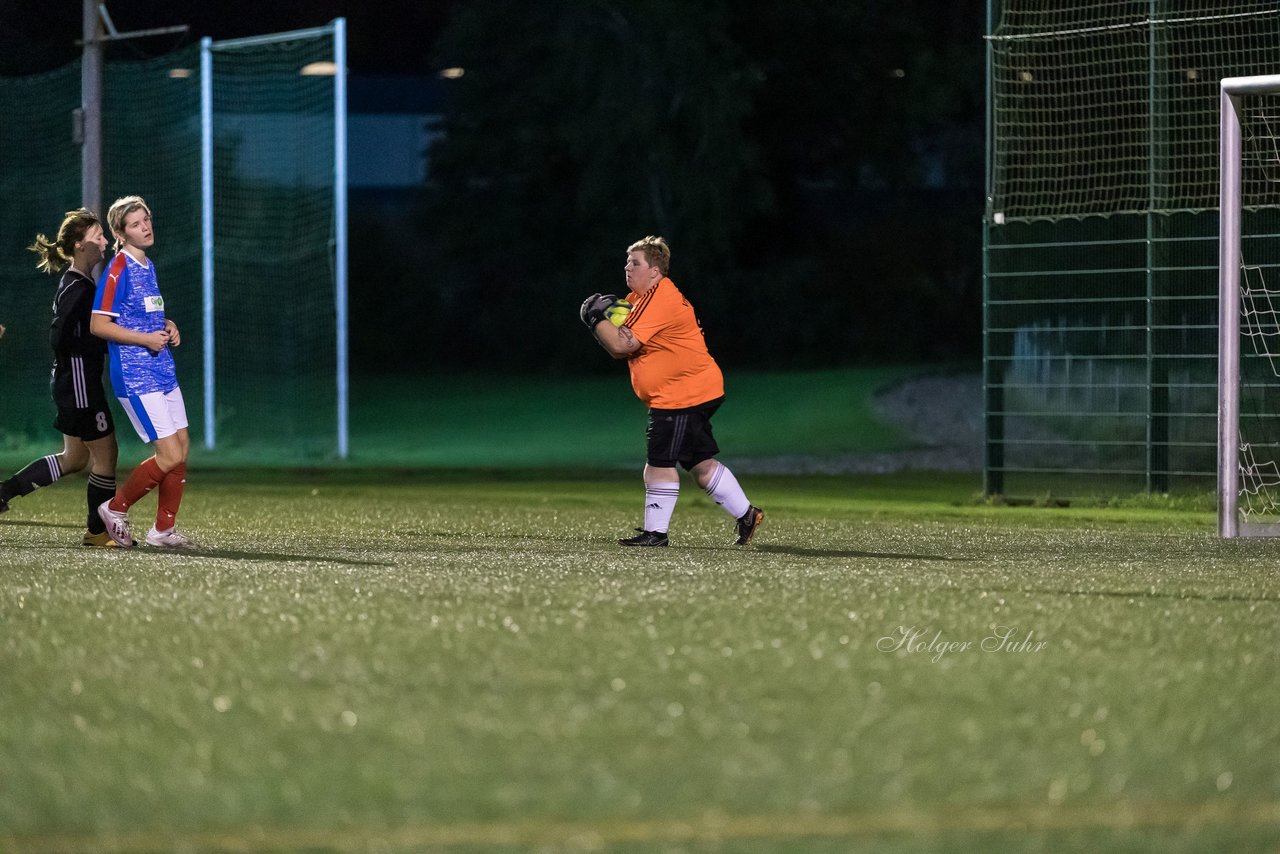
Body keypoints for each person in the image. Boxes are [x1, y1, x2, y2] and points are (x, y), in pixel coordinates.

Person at [580, 235, 763, 548]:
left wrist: (596, 319)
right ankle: (747, 515)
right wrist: (608, 319)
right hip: (693, 389)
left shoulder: (659, 296)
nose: (627, 267)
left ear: (654, 270)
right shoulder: (639, 300)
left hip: (681, 394)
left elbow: (622, 346)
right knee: (701, 464)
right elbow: (625, 336)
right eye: (627, 262)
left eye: (634, 262)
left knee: (659, 463)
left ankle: (656, 534)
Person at [0, 208, 120, 547]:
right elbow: (60, 335)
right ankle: (98, 531)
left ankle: (5, 492)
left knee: (75, 458)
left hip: (72, 381)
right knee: (106, 452)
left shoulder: (80, 282)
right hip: (78, 384)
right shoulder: (78, 288)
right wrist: (92, 346)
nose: (105, 241)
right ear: (81, 245)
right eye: (98, 236)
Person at [90, 195, 193, 549]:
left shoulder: (148, 265)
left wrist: (168, 324)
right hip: (135, 375)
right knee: (170, 455)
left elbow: (146, 316)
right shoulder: (117, 269)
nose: (145, 227)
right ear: (120, 232)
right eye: (135, 224)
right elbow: (99, 325)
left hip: (162, 368)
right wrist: (144, 339)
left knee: (182, 447)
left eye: (146, 219)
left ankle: (162, 532)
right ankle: (115, 509)